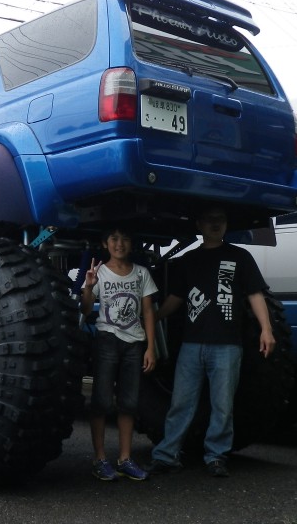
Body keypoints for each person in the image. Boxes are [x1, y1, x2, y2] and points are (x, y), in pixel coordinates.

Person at [147, 206, 276, 478]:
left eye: (220, 220)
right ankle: (166, 455)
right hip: (191, 346)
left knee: (222, 406)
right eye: (209, 220)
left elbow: (255, 294)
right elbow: (176, 299)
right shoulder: (188, 260)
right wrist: (153, 317)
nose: (215, 224)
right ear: (199, 224)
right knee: (181, 404)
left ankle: (216, 457)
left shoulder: (240, 257)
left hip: (228, 346)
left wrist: (266, 330)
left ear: (226, 224)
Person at [80, 228, 158, 481]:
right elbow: (85, 308)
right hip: (107, 341)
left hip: (134, 343)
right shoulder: (99, 272)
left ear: (131, 243)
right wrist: (89, 286)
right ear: (105, 243)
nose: (119, 244)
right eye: (114, 239)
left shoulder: (141, 273)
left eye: (125, 238)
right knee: (101, 401)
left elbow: (148, 312)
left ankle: (125, 458)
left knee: (129, 403)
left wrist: (150, 347)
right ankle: (99, 459)